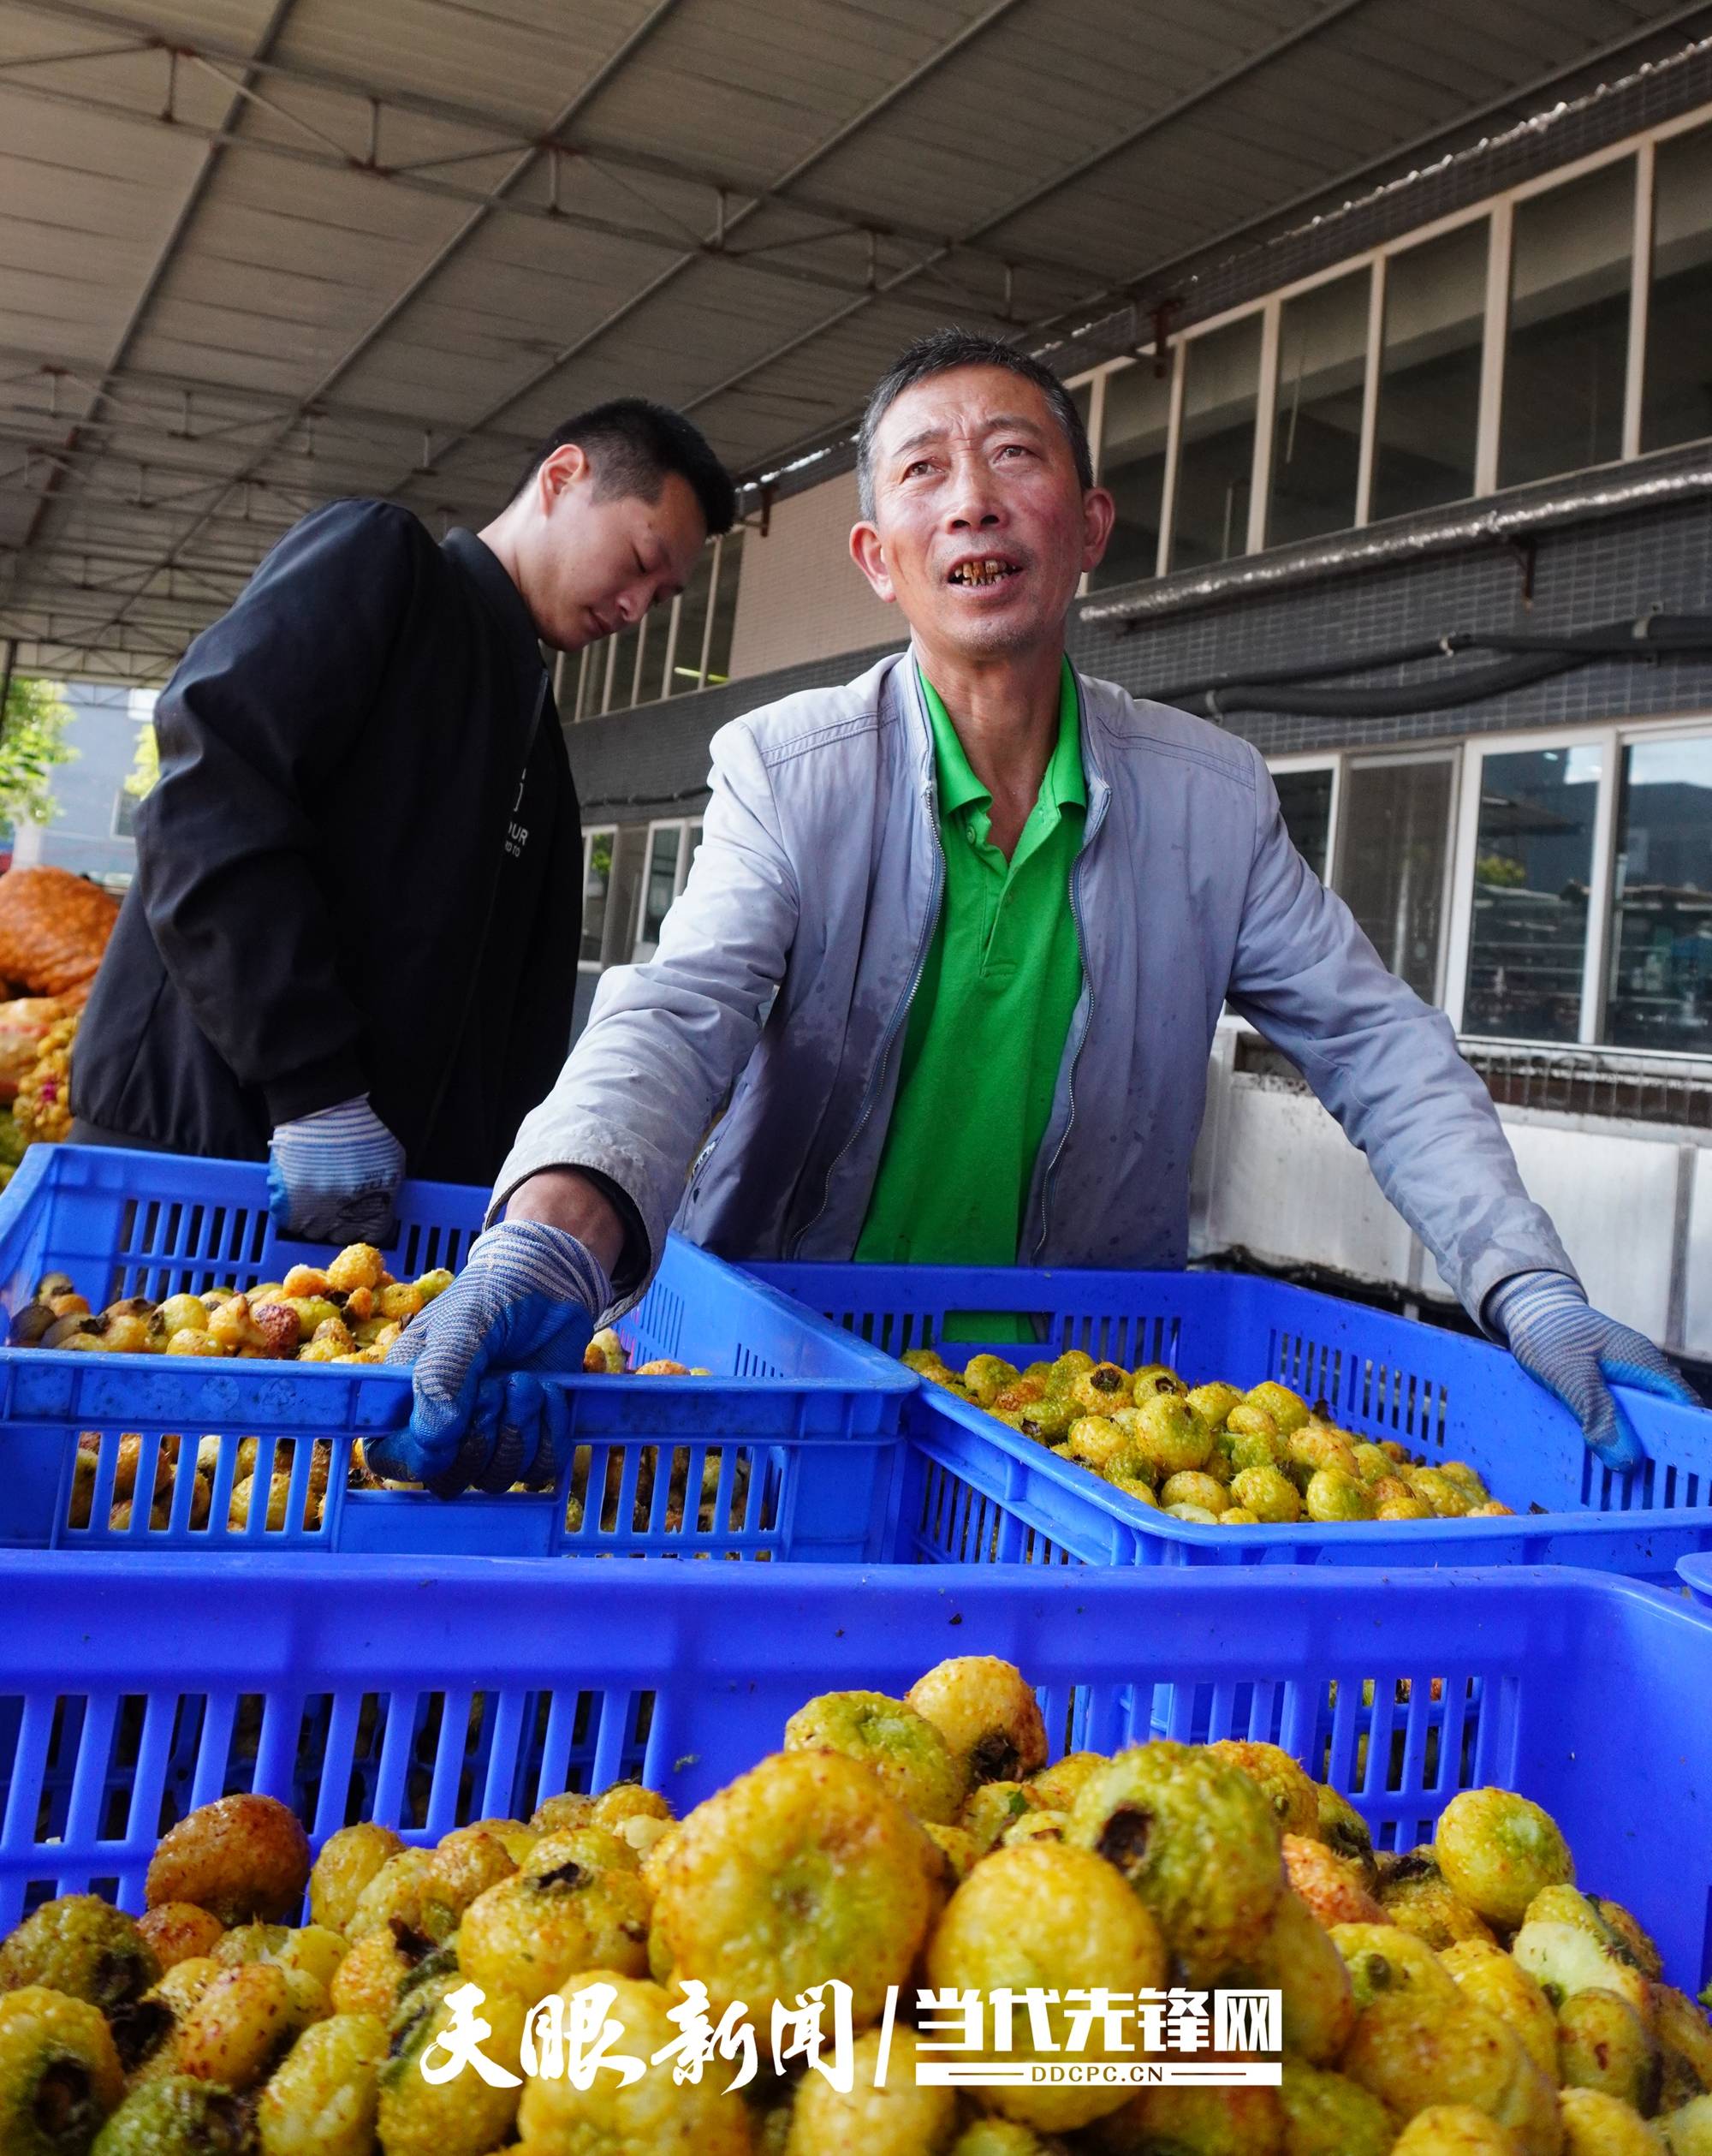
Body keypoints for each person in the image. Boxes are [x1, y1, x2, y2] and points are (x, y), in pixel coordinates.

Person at [372, 330, 1698, 1495]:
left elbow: (1377, 1045)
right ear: (877, 557)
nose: (972, 505)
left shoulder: (1210, 801)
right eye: (924, 474)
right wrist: (551, 1236)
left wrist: (1527, 1285)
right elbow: (676, 1011)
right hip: (790, 1388)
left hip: (1078, 1425)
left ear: (1089, 524)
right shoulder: (788, 768)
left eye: (1014, 457)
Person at [71, 401, 735, 1244]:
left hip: (378, 1218)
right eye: (640, 559)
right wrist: (313, 1086)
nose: (639, 607)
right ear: (562, 478)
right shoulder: (384, 567)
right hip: (195, 1166)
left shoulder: (531, 733)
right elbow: (210, 793)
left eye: (664, 593)